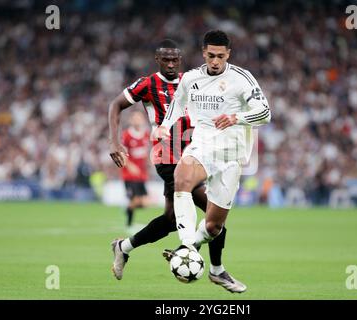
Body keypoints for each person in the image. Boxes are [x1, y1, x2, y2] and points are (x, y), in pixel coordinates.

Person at [109, 39, 246, 293]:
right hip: (167, 157)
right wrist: (115, 143)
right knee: (212, 210)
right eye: (166, 59)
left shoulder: (192, 80)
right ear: (157, 59)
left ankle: (123, 247)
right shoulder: (147, 84)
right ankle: (215, 269)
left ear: (180, 60)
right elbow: (116, 105)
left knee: (172, 219)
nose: (171, 64)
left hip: (196, 155)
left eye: (175, 59)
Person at [154, 30, 271, 291]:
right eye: (210, 55)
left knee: (214, 226)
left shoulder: (242, 79)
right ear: (203, 53)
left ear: (228, 54)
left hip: (231, 154)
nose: (215, 61)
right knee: (182, 178)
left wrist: (237, 118)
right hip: (203, 145)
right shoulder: (192, 79)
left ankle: (206, 261)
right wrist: (164, 126)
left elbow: (265, 113)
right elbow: (177, 103)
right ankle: (186, 246)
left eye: (220, 56)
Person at [120, 110, 150, 233]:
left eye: (139, 118)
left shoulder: (146, 134)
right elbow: (122, 153)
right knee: (135, 200)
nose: (137, 120)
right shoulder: (127, 135)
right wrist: (130, 165)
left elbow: (146, 152)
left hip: (141, 174)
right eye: (135, 118)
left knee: (145, 203)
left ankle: (127, 208)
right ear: (131, 120)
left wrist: (150, 161)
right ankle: (129, 224)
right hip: (129, 174)